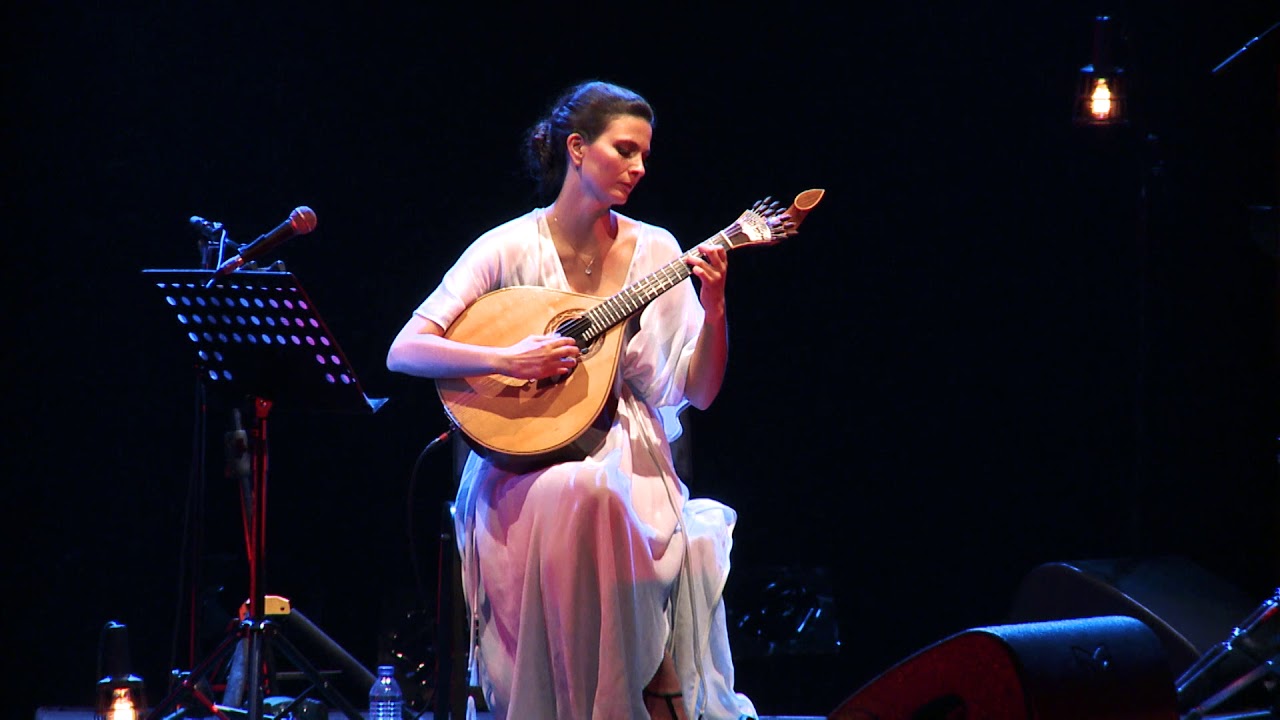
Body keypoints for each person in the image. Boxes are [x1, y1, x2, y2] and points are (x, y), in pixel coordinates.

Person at [387, 80, 756, 720]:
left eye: (645, 154)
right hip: (521, 466)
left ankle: (625, 694)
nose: (640, 168)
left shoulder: (660, 250)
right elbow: (406, 349)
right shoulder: (508, 246)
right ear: (577, 149)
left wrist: (717, 310)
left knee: (598, 493)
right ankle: (635, 690)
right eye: (624, 150)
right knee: (579, 492)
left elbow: (699, 390)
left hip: (633, 460)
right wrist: (507, 359)